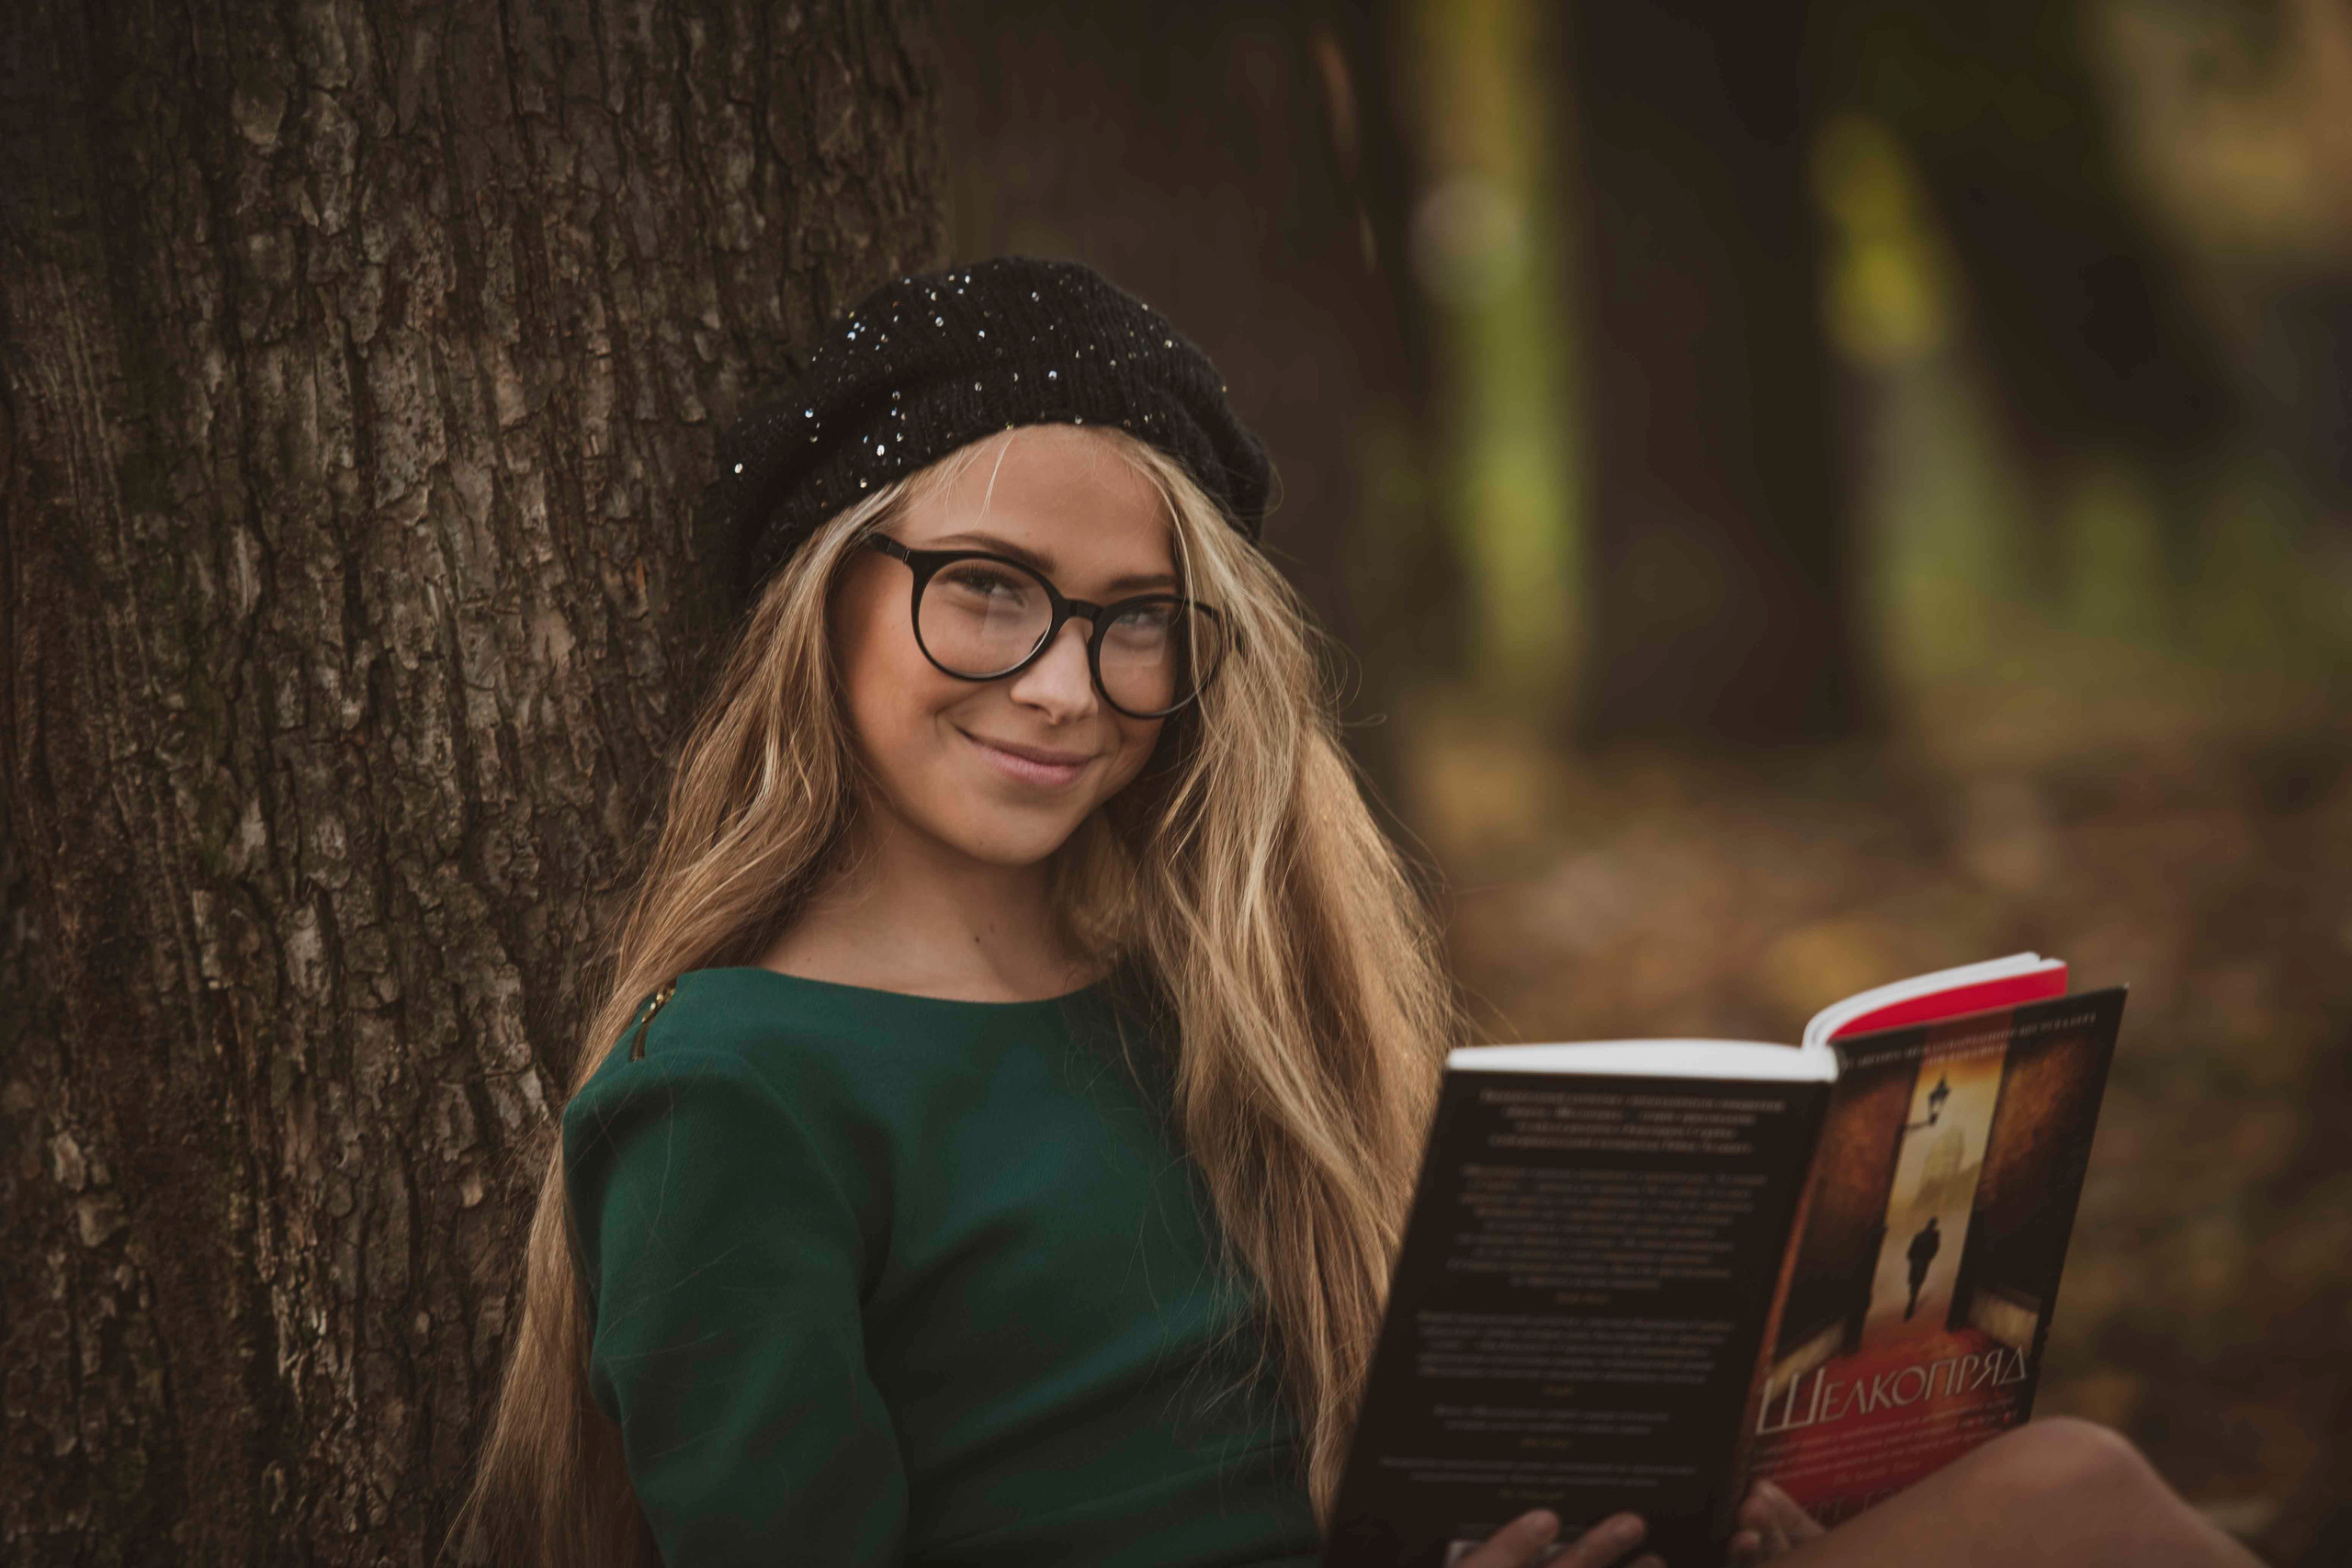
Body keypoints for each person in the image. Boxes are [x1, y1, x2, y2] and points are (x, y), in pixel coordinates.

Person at [454, 257, 2265, 1568]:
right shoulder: (736, 1084)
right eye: (987, 592)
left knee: (2065, 1491)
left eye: (1133, 617)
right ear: (819, 604)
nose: (1066, 684)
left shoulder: (1202, 994)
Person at [1905, 1216, 1942, 1320]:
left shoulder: (1923, 1235)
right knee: (1916, 1281)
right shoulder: (1928, 1235)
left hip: (1919, 1260)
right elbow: (1934, 1248)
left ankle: (1912, 1301)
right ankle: (1912, 1300)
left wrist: (1926, 1257)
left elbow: (1913, 1248)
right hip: (1920, 1260)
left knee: (1915, 1281)